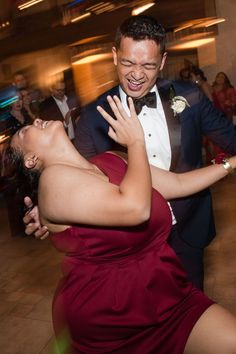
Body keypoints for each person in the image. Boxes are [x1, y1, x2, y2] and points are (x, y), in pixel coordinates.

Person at [23, 15, 236, 290]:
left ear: (162, 61)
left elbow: (230, 138)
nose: (137, 74)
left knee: (190, 312)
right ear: (114, 55)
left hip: (187, 231)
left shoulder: (189, 97)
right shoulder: (93, 116)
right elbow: (74, 174)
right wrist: (49, 210)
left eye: (148, 65)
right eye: (128, 62)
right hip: (132, 243)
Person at [9, 96, 236, 354]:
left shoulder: (110, 159)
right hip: (110, 319)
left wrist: (231, 164)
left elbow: (178, 184)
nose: (35, 120)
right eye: (26, 131)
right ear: (31, 160)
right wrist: (136, 142)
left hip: (166, 292)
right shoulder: (53, 180)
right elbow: (136, 209)